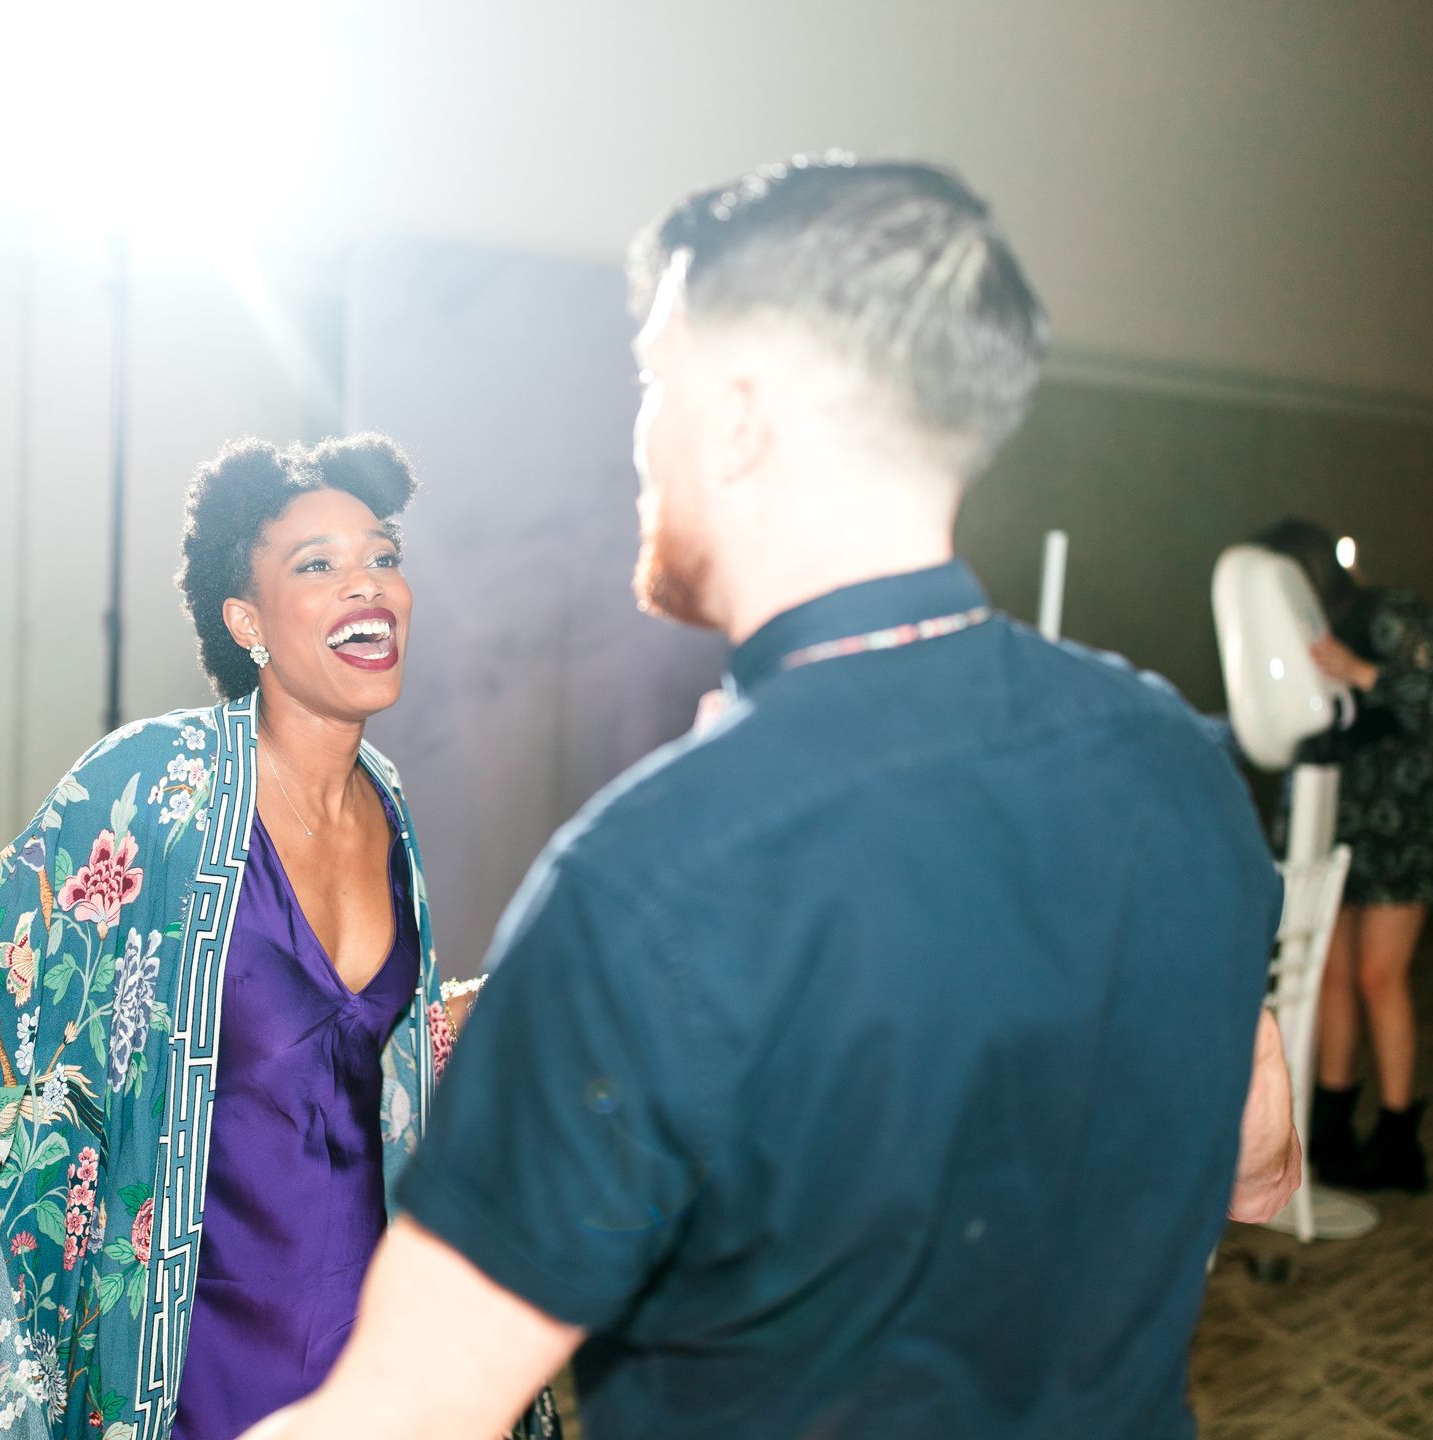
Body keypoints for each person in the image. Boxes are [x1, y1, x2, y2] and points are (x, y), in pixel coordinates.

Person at [240, 159, 1292, 1440]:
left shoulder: (657, 879)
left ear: (737, 419)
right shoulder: (1180, 765)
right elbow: (1258, 1163)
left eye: (653, 386)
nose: (637, 440)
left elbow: (407, 1412)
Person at [0, 434, 558, 1440]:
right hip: (198, 1355)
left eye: (382, 556)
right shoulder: (157, 784)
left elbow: (360, 1053)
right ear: (246, 620)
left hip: (375, 1341)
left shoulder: (389, 803)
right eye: (318, 566)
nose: (368, 586)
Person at [1256, 517, 1432, 1193]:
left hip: (1397, 825)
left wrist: (1358, 672)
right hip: (1332, 815)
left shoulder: (1392, 614)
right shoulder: (1297, 628)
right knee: (1328, 975)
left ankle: (1396, 1136)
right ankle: (1329, 1127)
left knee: (1379, 978)